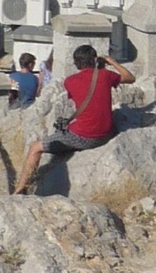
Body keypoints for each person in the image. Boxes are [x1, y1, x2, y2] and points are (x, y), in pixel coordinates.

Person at [13, 43, 129, 193]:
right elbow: (130, 77)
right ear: (94, 60)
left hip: (85, 137)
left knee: (35, 147)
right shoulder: (106, 75)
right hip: (106, 133)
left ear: (76, 63)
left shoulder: (70, 81)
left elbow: (78, 97)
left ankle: (20, 189)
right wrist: (110, 61)